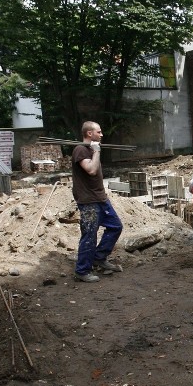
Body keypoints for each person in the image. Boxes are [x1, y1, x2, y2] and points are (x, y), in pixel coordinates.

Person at [71, 121, 123, 283]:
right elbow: (91, 170)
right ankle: (82, 270)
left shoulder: (92, 150)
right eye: (98, 132)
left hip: (100, 198)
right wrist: (96, 151)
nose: (101, 135)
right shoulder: (80, 150)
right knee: (89, 235)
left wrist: (95, 150)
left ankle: (99, 257)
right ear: (89, 134)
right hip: (89, 201)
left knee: (116, 226)